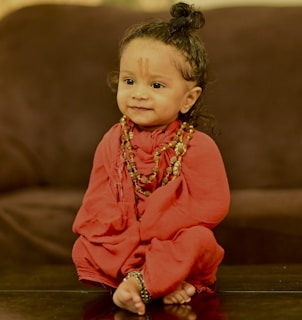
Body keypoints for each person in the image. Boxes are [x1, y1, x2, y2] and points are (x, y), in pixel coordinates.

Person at [72, 2, 230, 316]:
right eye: (129, 81)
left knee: (199, 240)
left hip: (171, 240)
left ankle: (140, 284)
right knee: (83, 247)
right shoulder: (112, 141)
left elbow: (212, 205)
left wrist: (155, 227)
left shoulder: (198, 146)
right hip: (125, 240)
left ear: (188, 98)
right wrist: (121, 229)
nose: (139, 93)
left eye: (156, 85)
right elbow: (98, 196)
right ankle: (153, 281)